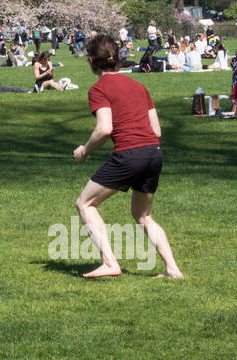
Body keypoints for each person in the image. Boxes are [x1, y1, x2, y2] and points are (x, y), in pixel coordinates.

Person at [71, 34, 183, 279]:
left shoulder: (99, 89)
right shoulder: (139, 86)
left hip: (129, 154)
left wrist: (84, 151)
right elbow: (157, 131)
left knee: (85, 204)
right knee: (143, 215)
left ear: (91, 60)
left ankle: (110, 263)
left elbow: (104, 129)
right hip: (154, 153)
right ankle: (173, 270)